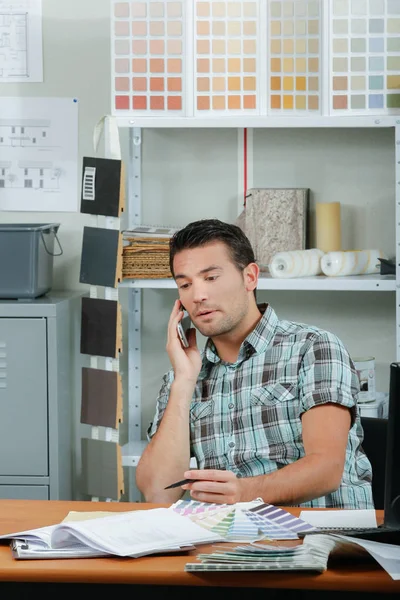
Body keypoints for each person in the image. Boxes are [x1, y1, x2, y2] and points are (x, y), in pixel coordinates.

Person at [135, 219, 374, 508]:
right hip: (232, 543)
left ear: (250, 277)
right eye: (185, 284)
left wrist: (245, 492)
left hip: (319, 538)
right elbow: (158, 492)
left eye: (210, 278)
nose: (198, 296)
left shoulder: (313, 347)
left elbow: (326, 470)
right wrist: (184, 382)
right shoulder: (183, 376)